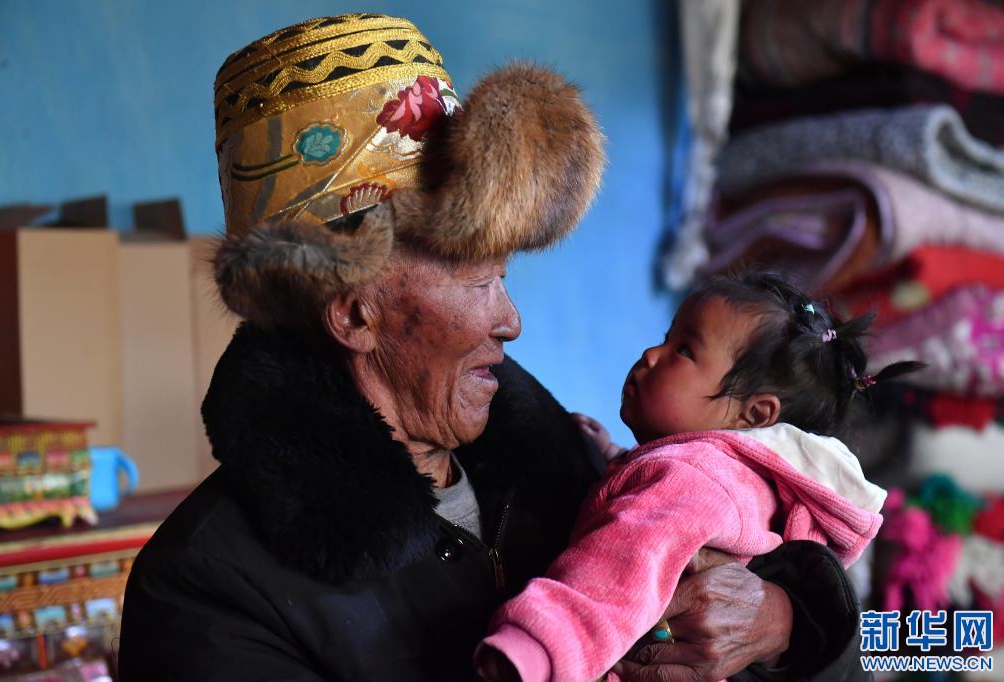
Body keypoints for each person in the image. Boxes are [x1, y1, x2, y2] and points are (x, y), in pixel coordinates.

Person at [119, 14, 869, 681]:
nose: (512, 321)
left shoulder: (570, 463)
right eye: (479, 279)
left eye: (504, 275)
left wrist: (779, 627)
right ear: (352, 314)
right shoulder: (207, 589)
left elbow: (856, 655)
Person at [476, 271, 921, 682]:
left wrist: (536, 647)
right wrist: (614, 458)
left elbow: (618, 571)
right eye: (666, 339)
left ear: (754, 414)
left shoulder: (688, 479)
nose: (651, 355)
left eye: (684, 351)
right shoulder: (736, 482)